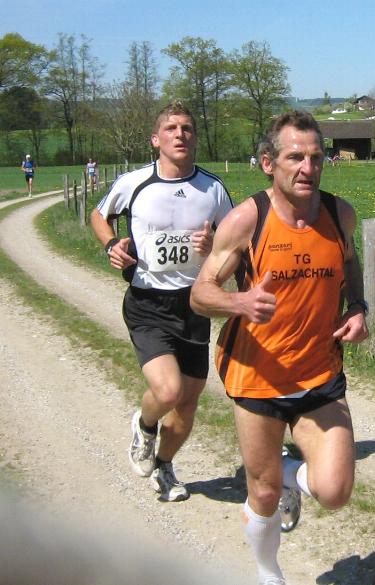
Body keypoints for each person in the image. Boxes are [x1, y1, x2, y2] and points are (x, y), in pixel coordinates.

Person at [190, 110, 369, 585]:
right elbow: (200, 293)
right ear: (269, 163)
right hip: (257, 376)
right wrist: (239, 301)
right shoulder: (247, 220)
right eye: (295, 158)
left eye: (316, 158)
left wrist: (357, 307)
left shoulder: (339, 214)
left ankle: (290, 473)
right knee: (264, 494)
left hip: (319, 374)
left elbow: (350, 261)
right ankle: (269, 574)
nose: (308, 168)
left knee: (335, 490)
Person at [90, 101, 234, 502]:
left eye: (187, 128)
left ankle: (165, 467)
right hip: (147, 303)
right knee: (168, 391)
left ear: (196, 138)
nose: (179, 134)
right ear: (156, 139)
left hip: (194, 305)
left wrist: (215, 245)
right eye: (171, 128)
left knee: (187, 404)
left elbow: (235, 241)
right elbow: (99, 216)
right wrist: (111, 245)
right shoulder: (134, 182)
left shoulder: (213, 189)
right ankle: (145, 424)